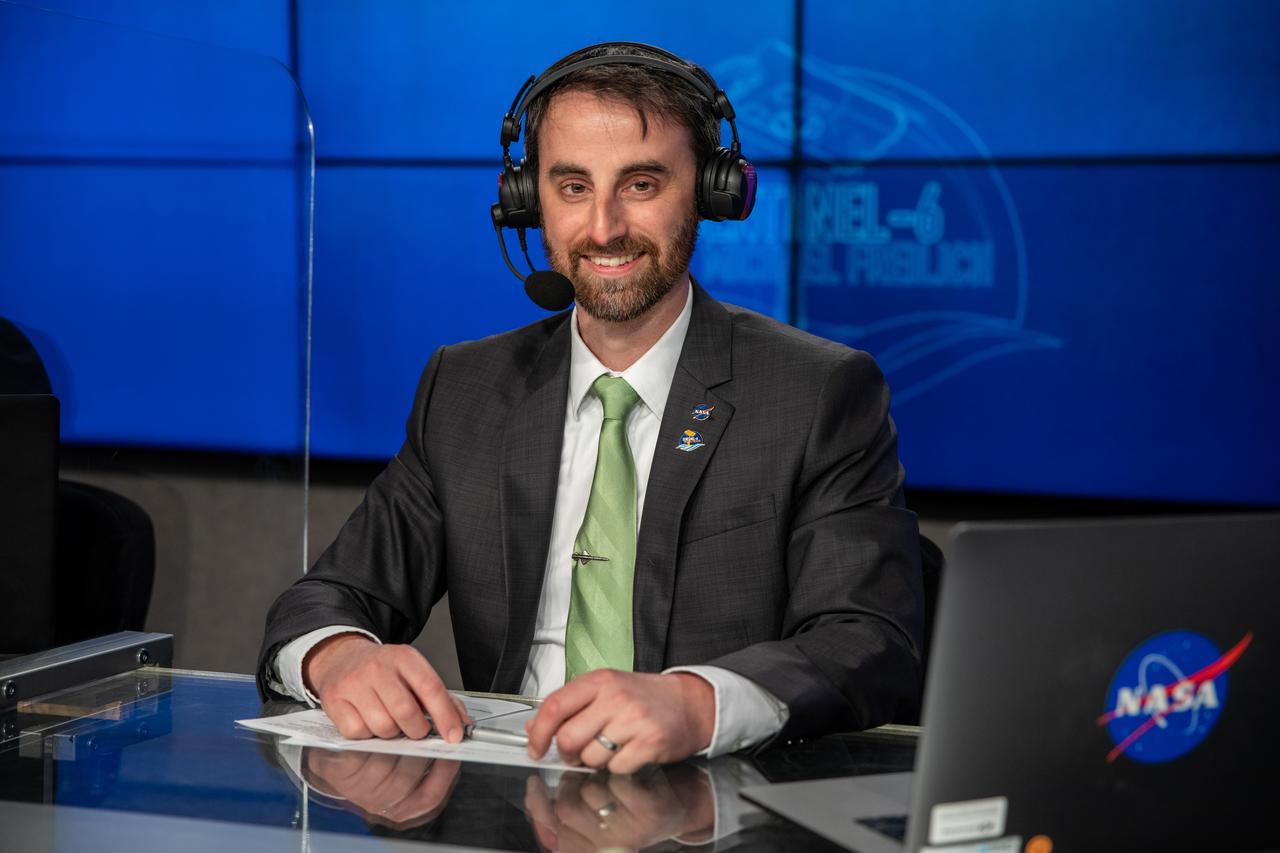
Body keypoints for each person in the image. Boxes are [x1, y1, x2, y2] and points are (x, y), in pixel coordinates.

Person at [257, 42, 923, 774]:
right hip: (503, 799)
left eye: (640, 184)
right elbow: (328, 594)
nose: (604, 227)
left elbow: (869, 638)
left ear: (709, 191)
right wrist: (339, 655)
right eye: (572, 187)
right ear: (526, 199)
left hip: (711, 799)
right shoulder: (466, 387)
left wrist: (698, 702)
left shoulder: (817, 390)